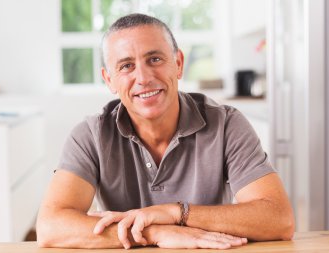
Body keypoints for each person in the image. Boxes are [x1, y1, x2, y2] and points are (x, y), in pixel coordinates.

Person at [36, 13, 294, 250]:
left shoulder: (227, 124)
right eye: (126, 66)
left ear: (178, 63)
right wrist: (155, 233)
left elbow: (279, 219)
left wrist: (176, 213)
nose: (144, 77)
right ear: (109, 80)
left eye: (155, 59)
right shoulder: (90, 135)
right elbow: (50, 227)